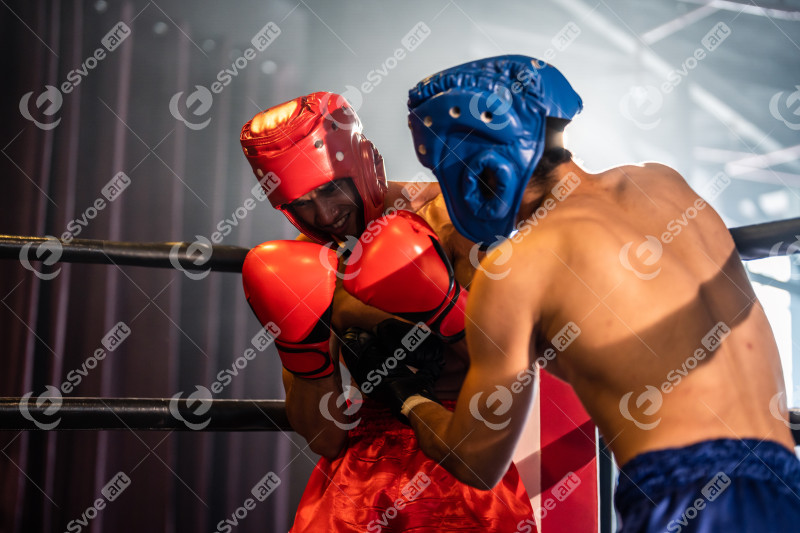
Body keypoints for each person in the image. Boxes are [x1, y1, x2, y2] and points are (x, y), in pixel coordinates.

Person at [353, 55, 800, 532]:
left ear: (476, 170)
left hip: (687, 501)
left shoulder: (518, 268)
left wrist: (407, 396)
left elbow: (476, 462)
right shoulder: (664, 185)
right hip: (786, 485)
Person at [238, 92, 534, 532]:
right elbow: (325, 436)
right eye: (301, 202)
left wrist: (442, 313)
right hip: (360, 482)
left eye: (330, 188)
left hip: (465, 453)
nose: (324, 214)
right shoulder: (304, 264)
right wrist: (301, 352)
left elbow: (515, 366)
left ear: (365, 163)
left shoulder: (456, 223)